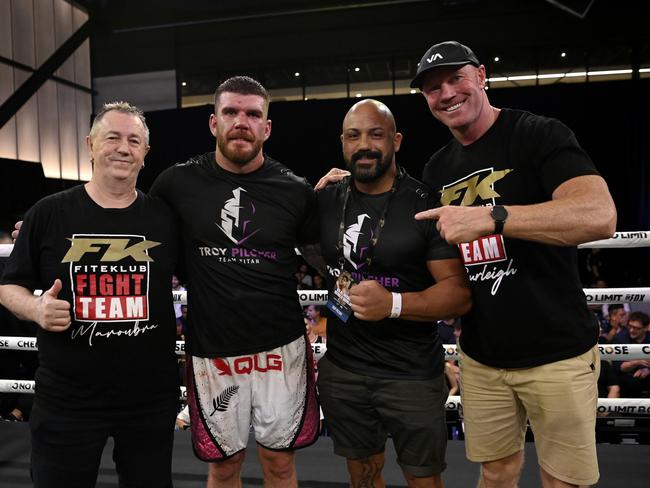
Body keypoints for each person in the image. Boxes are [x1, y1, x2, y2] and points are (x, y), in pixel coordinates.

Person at [410, 41, 617, 487]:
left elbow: (599, 215)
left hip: (556, 352)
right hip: (482, 357)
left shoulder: (537, 133)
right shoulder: (437, 168)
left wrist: (491, 216)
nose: (445, 93)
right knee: (496, 472)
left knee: (562, 480)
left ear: (482, 76)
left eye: (455, 79)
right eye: (432, 88)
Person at [149, 76, 320, 488]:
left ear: (267, 128)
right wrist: (59, 229)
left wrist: (343, 193)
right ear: (213, 123)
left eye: (252, 114)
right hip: (213, 349)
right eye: (231, 112)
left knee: (280, 464)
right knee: (223, 467)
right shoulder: (176, 183)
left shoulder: (295, 191)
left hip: (281, 348)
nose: (241, 122)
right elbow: (131, 222)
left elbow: (328, 250)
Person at [0, 102, 180, 488]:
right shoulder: (48, 213)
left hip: (148, 398)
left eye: (134, 140)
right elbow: (7, 286)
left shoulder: (166, 218)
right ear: (90, 145)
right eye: (112, 137)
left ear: (145, 154)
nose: (123, 148)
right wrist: (35, 308)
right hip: (68, 399)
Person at [316, 99, 471, 488]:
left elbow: (458, 295)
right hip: (345, 370)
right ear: (342, 143)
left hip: (411, 375)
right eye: (354, 135)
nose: (364, 144)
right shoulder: (326, 200)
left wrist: (393, 304)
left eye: (376, 134)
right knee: (362, 475)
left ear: (396, 141)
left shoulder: (423, 204)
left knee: (423, 479)